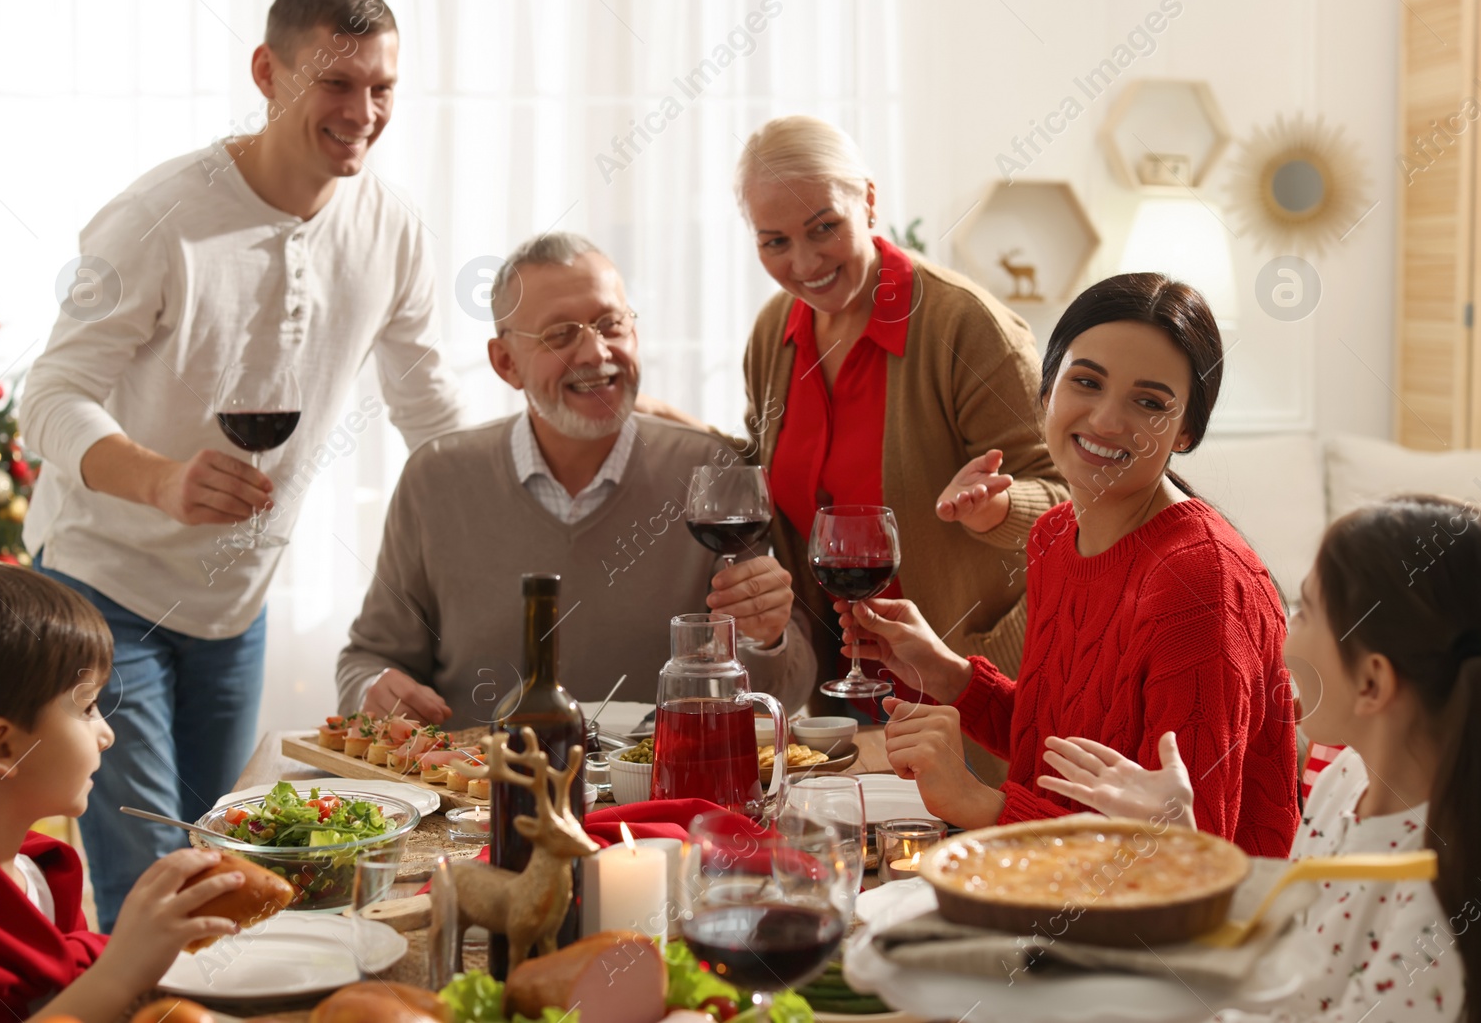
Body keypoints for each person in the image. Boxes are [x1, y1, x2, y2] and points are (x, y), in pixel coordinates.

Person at [17, 0, 464, 927]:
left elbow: (429, 411)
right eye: (337, 84)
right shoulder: (158, 217)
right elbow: (48, 395)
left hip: (234, 606)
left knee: (230, 862)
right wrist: (166, 481)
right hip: (105, 584)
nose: (364, 113)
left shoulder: (391, 225)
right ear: (268, 73)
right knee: (160, 877)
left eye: (382, 87)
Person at [849, 273, 1300, 857]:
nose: (1108, 421)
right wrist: (944, 673)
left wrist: (980, 802)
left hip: (1178, 938)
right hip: (1045, 891)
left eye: (1149, 401)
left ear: (1186, 430)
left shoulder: (1201, 582)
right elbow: (1060, 749)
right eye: (1086, 382)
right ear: (1046, 392)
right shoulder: (1056, 537)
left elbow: (1192, 853)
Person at [1035, 495, 1481, 1022]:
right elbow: (1275, 958)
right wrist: (1181, 841)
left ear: (1372, 682)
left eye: (1308, 610)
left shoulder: (1436, 912)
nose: (1286, 632)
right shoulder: (1344, 779)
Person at [336, 233, 816, 722]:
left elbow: (787, 689)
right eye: (560, 334)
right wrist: (373, 689)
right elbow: (368, 660)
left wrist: (766, 637)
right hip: (479, 790)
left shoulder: (710, 476)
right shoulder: (435, 478)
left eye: (611, 324)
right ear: (506, 363)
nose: (594, 351)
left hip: (661, 789)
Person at [733, 116, 1067, 742]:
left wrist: (997, 510)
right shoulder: (773, 333)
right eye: (774, 241)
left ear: (869, 201)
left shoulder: (963, 326)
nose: (804, 262)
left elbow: (1076, 499)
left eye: (824, 227)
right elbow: (765, 458)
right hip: (847, 691)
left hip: (975, 688)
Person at [0, 557, 246, 1023]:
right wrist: (119, 971)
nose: (107, 734)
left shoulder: (38, 873)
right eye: (89, 707)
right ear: (5, 748)